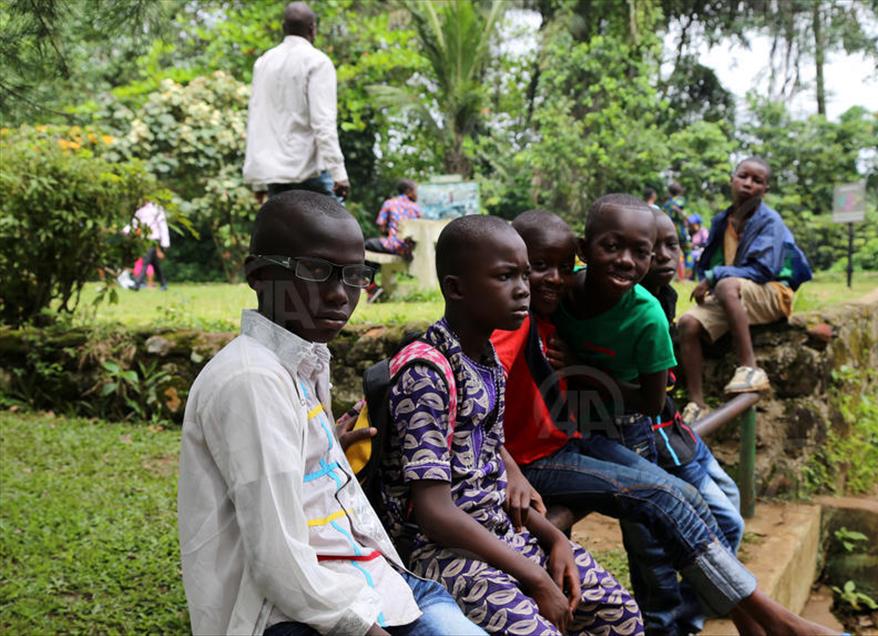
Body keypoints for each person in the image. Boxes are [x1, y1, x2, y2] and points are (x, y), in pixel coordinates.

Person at [501, 200, 834, 635]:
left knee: (683, 495)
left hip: (574, 438)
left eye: (563, 267)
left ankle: (749, 616)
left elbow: (646, 398)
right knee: (658, 509)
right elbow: (477, 401)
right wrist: (508, 468)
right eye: (536, 267)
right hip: (537, 458)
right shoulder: (514, 321)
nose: (554, 279)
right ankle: (771, 619)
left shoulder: (570, 312)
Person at [177, 191, 483, 636]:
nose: (341, 294)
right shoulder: (252, 380)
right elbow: (277, 560)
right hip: (295, 615)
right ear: (259, 275)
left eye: (355, 275)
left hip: (379, 585)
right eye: (316, 272)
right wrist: (367, 631)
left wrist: (321, 454)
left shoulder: (302, 361)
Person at [379, 215, 643, 635]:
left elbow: (493, 478)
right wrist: (536, 578)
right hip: (444, 554)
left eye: (524, 274)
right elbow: (434, 513)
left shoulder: (487, 362)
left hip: (501, 535)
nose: (524, 288)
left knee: (619, 614)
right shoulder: (425, 371)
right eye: (505, 276)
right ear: (456, 288)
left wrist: (555, 539)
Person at [618, 209, 745, 634]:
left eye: (673, 244)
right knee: (653, 552)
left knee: (728, 518)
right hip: (647, 446)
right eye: (654, 248)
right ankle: (682, 620)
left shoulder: (664, 297)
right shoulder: (623, 309)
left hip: (677, 434)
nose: (667, 255)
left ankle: (698, 607)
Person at [678, 157, 812, 425]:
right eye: (743, 177)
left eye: (757, 181)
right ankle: (697, 403)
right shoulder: (722, 220)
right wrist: (711, 277)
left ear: (765, 189)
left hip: (773, 291)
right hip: (736, 292)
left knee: (726, 285)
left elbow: (762, 270)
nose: (748, 184)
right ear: (732, 180)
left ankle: (750, 368)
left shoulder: (769, 221)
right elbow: (714, 264)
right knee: (687, 323)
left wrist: (714, 277)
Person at [243, 2, 350, 204]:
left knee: (282, 234)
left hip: (276, 176)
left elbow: (257, 120)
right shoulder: (318, 62)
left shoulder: (264, 62)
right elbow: (323, 123)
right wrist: (339, 173)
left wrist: (258, 182)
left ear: (284, 29)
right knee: (339, 234)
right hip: (311, 174)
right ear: (313, 29)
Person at [364, 179, 422, 303]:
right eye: (415, 191)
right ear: (408, 192)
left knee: (367, 245)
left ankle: (371, 286)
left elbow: (381, 225)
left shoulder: (389, 203)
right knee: (375, 247)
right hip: (409, 250)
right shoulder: (416, 208)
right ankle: (374, 287)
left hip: (394, 246)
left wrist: (389, 232)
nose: (417, 194)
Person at [126, 200, 170, 291]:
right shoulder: (140, 210)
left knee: (145, 262)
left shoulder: (157, 209)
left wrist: (165, 242)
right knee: (155, 263)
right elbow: (135, 223)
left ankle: (137, 284)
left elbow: (162, 226)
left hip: (153, 239)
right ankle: (164, 284)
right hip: (144, 240)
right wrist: (125, 230)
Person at [662, 183, 689, 280]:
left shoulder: (666, 204)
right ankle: (683, 276)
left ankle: (673, 275)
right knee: (685, 252)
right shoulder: (680, 200)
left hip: (668, 230)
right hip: (680, 230)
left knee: (671, 251)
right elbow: (683, 213)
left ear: (669, 192)